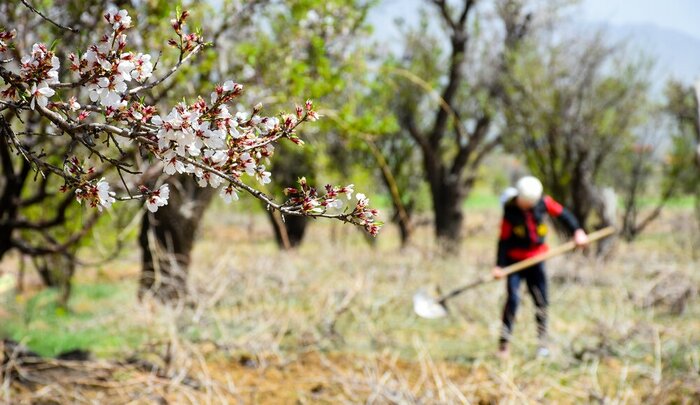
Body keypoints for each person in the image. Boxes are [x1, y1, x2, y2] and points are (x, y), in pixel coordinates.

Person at [493, 176, 588, 358]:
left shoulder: (544, 203)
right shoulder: (510, 210)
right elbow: (503, 240)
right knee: (512, 300)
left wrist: (577, 231)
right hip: (515, 262)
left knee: (541, 300)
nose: (526, 206)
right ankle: (504, 345)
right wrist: (499, 266)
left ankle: (542, 344)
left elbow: (564, 216)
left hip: (536, 260)